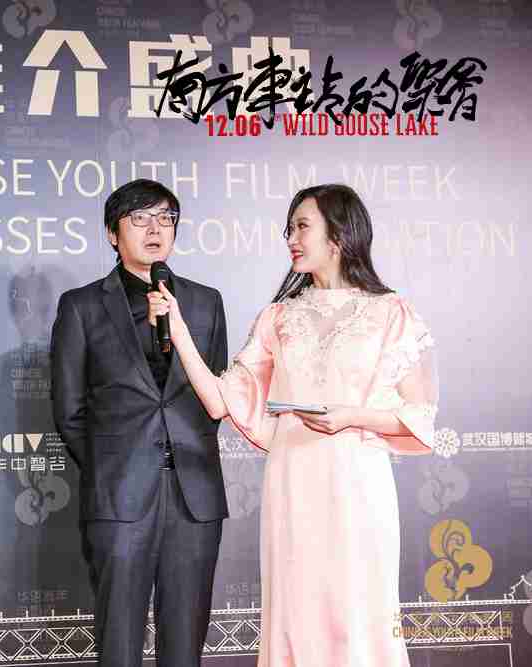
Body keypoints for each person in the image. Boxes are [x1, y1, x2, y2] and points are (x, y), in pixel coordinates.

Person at [148, 183, 438, 667]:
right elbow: (220, 401)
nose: (291, 239)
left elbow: (419, 414)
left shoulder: (390, 313)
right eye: (289, 229)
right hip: (292, 482)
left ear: (339, 234)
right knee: (295, 613)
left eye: (302, 227)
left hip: (357, 482)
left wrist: (350, 417)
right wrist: (177, 330)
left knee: (357, 609)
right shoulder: (278, 317)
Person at [50, 179, 228, 667]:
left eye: (165, 218)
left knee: (186, 640)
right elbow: (69, 410)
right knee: (119, 640)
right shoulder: (83, 306)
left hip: (194, 493)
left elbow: (214, 393)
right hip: (119, 493)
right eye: (140, 219)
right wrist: (112, 467)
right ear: (113, 233)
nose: (155, 229)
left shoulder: (206, 301)